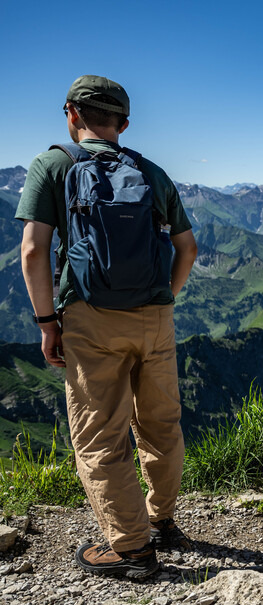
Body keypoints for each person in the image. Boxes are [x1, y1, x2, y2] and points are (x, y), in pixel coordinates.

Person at [17, 76, 198, 579]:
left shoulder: (53, 165)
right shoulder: (151, 172)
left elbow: (33, 251)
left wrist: (47, 321)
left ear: (71, 113)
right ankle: (161, 521)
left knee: (100, 436)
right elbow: (188, 250)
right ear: (123, 123)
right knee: (161, 425)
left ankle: (132, 550)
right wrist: (163, 301)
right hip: (156, 317)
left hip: (90, 318)